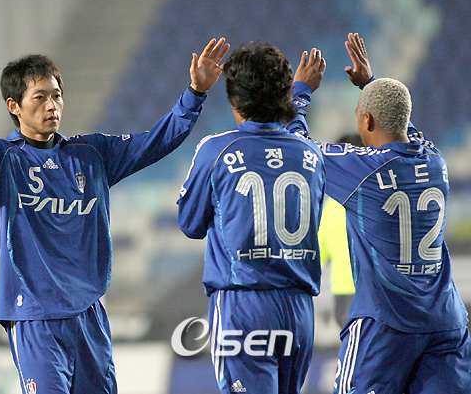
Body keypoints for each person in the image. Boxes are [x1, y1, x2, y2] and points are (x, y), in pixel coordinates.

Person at [0, 25, 229, 394]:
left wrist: (195, 93)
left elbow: (156, 140)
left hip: (89, 314)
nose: (52, 106)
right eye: (40, 97)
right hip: (35, 318)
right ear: (14, 106)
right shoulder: (0, 161)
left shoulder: (91, 155)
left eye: (57, 96)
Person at [288, 33, 471, 393]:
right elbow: (406, 128)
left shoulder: (363, 170)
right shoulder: (435, 162)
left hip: (385, 323)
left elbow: (297, 149)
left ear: (367, 121)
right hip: (445, 323)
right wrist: (370, 84)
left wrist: (301, 91)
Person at [177, 42, 326, 394]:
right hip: (298, 309)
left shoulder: (215, 150)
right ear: (284, 96)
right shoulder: (312, 154)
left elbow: (190, 224)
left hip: (244, 306)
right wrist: (301, 94)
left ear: (234, 101)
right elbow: (295, 132)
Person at [318, 133, 362, 329]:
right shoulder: (379, 200)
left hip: (343, 294)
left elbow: (317, 256)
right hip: (377, 291)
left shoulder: (331, 206)